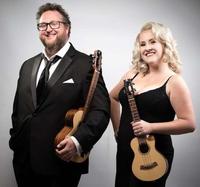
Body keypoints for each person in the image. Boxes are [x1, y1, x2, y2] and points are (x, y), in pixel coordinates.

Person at [9, 3, 110, 187]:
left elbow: (101, 111)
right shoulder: (27, 65)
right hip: (23, 161)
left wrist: (78, 141)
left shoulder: (87, 65)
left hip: (61, 164)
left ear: (67, 29)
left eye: (54, 24)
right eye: (43, 25)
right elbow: (19, 110)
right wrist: (15, 138)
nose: (48, 29)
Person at [110, 21, 196, 187]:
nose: (147, 47)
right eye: (142, 44)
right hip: (126, 150)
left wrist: (151, 127)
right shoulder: (132, 74)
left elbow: (189, 123)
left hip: (154, 155)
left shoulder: (174, 82)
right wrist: (117, 129)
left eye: (152, 41)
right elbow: (112, 97)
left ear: (164, 44)